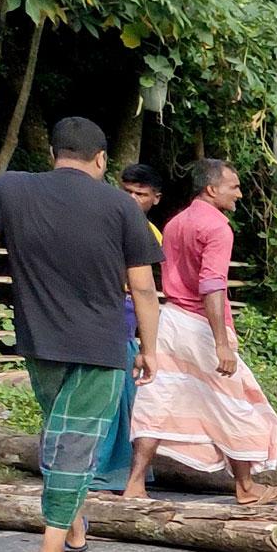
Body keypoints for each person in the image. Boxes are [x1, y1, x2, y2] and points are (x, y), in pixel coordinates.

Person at [0, 117, 162, 552]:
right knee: (77, 441)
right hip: (100, 344)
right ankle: (53, 551)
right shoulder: (121, 207)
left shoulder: (10, 189)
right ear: (101, 159)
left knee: (64, 434)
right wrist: (149, 347)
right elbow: (142, 289)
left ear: (53, 155)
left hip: (39, 341)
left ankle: (75, 526)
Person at [125, 159, 277, 503]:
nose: (240, 194)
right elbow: (211, 285)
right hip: (201, 325)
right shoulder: (217, 227)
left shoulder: (175, 223)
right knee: (237, 404)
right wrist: (221, 344)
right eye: (235, 186)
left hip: (170, 321)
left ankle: (135, 484)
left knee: (159, 399)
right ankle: (245, 487)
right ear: (212, 189)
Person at [96, 163, 166, 493]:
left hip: (126, 321)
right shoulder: (106, 223)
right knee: (106, 399)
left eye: (141, 194)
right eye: (128, 191)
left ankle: (122, 470)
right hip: (105, 316)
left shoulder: (150, 233)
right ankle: (102, 471)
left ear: (155, 199)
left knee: (126, 401)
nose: (133, 199)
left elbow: (143, 288)